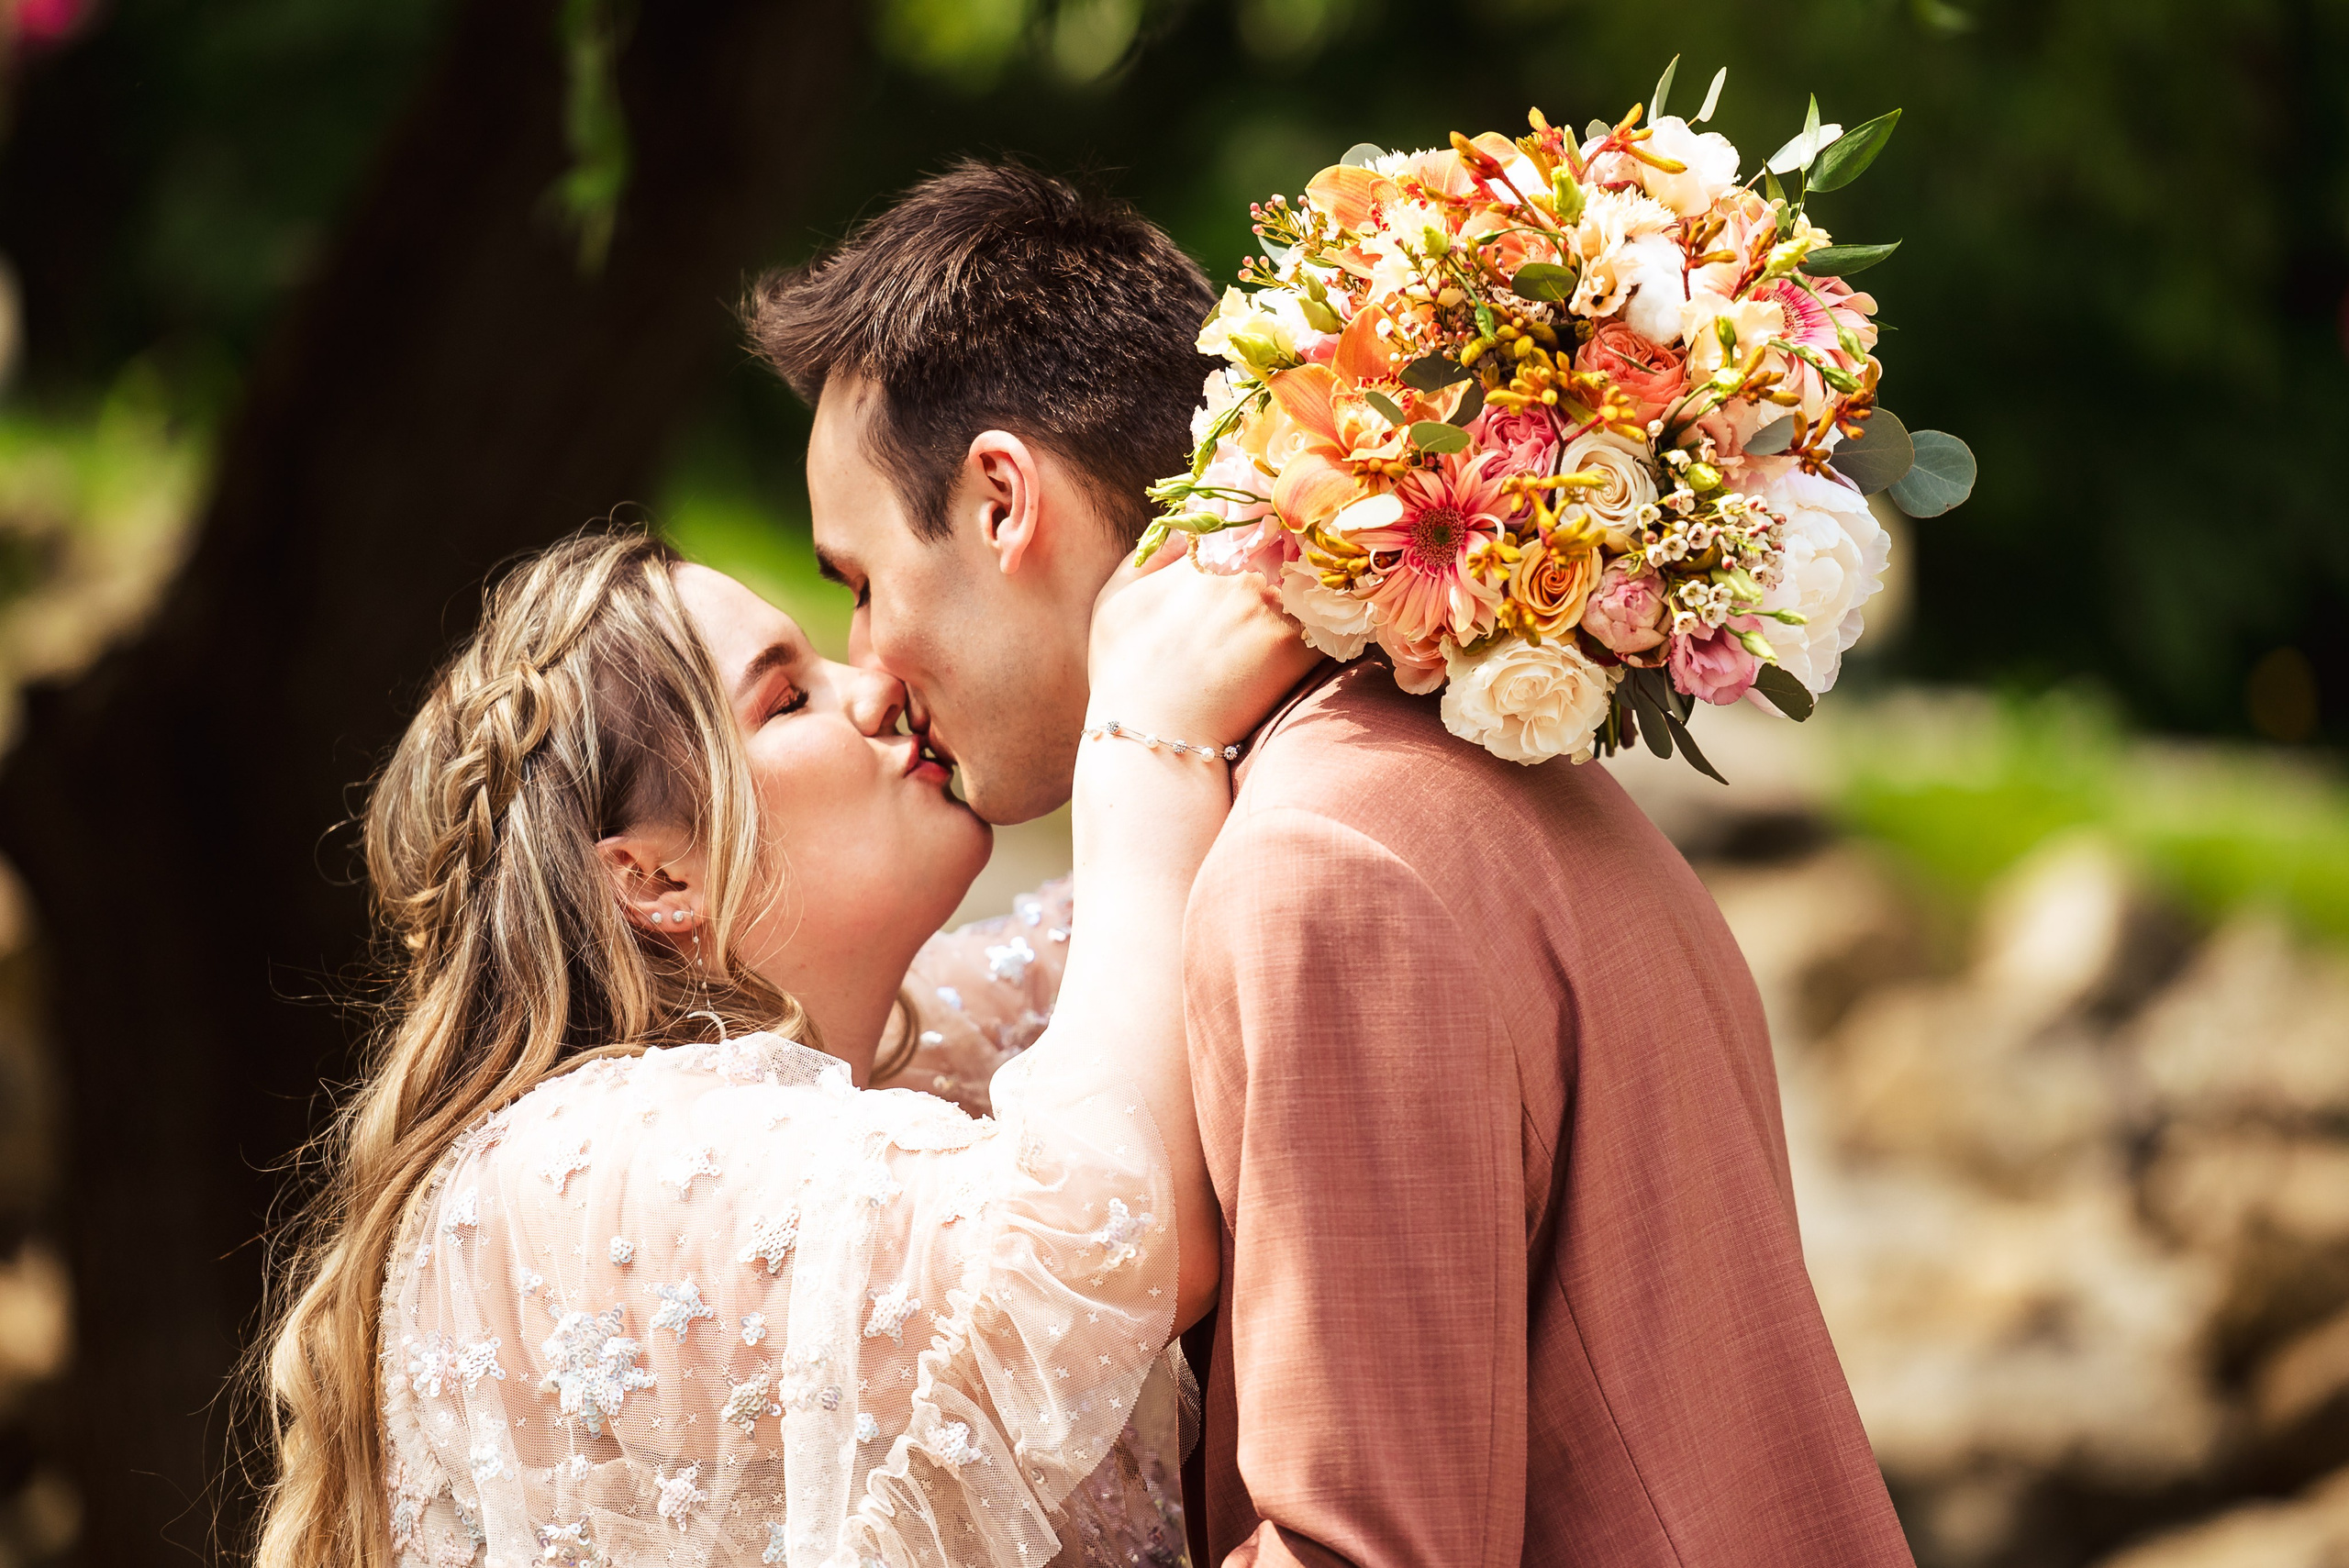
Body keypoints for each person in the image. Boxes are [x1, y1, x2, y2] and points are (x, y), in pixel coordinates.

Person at [745, 161, 1919, 1567]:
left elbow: (1366, 1546)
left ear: (1003, 500)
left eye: (861, 582)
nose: (868, 668)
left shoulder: (1322, 864)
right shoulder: (1457, 757)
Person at [251, 528, 1315, 1568]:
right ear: (657, 877)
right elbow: (1113, 1238)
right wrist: (1147, 738)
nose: (876, 688)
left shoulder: (896, 1056)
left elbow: (1126, 949)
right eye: (788, 697)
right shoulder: (577, 1168)